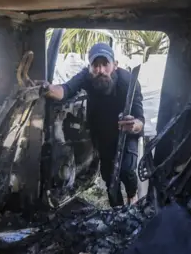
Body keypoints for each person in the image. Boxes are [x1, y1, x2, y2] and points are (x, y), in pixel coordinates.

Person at [41, 43, 144, 207]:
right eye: (95, 65)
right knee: (109, 177)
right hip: (103, 132)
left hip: (126, 132)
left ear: (115, 65)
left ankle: (132, 195)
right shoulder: (86, 77)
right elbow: (65, 90)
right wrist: (45, 89)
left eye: (105, 64)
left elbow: (140, 120)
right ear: (89, 67)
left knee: (126, 170)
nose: (101, 70)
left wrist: (134, 125)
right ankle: (116, 210)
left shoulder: (128, 81)